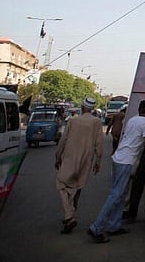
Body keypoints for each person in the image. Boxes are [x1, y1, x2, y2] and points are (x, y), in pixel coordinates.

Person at [88, 100, 145, 244]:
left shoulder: (133, 120)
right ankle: (96, 227)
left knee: (121, 193)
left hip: (119, 158)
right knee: (115, 195)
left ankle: (114, 225)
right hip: (126, 161)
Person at [55, 97, 104, 234]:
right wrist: (98, 162)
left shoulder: (73, 121)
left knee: (62, 184)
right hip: (86, 161)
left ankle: (69, 215)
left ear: (82, 107)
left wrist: (58, 157)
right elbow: (99, 145)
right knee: (77, 188)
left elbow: (63, 140)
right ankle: (71, 215)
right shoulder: (97, 122)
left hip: (69, 159)